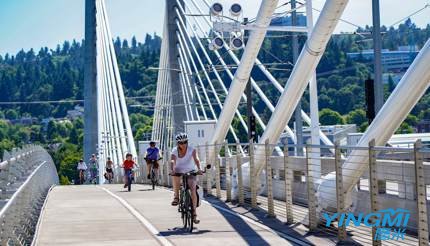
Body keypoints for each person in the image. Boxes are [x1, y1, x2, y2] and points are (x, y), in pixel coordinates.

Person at [170, 133, 202, 224]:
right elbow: (172, 160)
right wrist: (172, 169)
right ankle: (176, 197)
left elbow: (196, 159)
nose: (183, 144)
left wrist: (199, 169)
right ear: (178, 143)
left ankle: (195, 214)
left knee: (193, 190)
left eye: (185, 142)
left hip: (190, 171)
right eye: (181, 143)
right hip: (178, 170)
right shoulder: (175, 150)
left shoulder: (192, 149)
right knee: (175, 177)